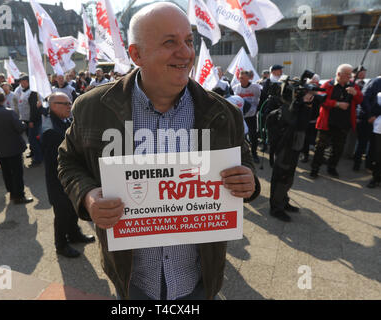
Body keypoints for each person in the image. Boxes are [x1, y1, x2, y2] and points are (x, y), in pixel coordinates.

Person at [57, 2, 260, 300]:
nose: (186, 53)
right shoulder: (92, 109)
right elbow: (67, 160)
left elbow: (245, 165)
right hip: (131, 279)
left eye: (188, 41)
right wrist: (87, 196)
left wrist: (249, 182)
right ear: (136, 54)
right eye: (170, 42)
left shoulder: (224, 114)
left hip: (199, 280)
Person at [41, 92, 95, 258]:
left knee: (73, 210)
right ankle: (61, 244)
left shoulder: (66, 120)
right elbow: (58, 161)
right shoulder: (50, 130)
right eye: (64, 103)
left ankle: (74, 234)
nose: (69, 106)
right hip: (60, 181)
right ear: (53, 106)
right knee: (62, 214)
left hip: (70, 179)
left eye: (69, 102)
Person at [267, 81, 317, 222]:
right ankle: (275, 208)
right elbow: (298, 123)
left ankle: (283, 201)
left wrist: (307, 104)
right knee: (281, 177)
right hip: (285, 149)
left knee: (288, 177)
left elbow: (304, 124)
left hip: (294, 147)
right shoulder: (286, 109)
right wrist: (303, 104)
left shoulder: (297, 107)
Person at [0, 90, 33, 204]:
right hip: (13, 147)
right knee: (17, 173)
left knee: (6, 172)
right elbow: (20, 128)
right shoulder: (9, 113)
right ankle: (19, 195)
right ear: (4, 100)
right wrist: (24, 124)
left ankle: (12, 193)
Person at [310, 64, 363, 178]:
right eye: (347, 75)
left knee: (338, 148)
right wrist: (337, 104)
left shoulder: (353, 86)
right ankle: (315, 168)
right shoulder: (328, 85)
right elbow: (321, 100)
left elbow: (360, 100)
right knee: (320, 147)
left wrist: (356, 93)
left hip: (344, 123)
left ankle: (332, 167)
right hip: (327, 122)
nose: (350, 77)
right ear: (339, 74)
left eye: (350, 75)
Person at [14, 74, 43, 167]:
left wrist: (31, 121)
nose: (21, 83)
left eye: (23, 81)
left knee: (33, 139)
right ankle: (34, 153)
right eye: (20, 82)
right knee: (31, 139)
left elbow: (34, 109)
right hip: (26, 119)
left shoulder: (32, 92)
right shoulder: (23, 91)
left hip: (32, 120)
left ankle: (38, 159)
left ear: (27, 82)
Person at [233, 70, 261, 163]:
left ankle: (254, 153)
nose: (242, 80)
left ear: (248, 78)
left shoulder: (255, 88)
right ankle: (242, 154)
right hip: (240, 116)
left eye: (244, 78)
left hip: (251, 116)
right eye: (240, 78)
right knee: (241, 136)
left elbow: (262, 98)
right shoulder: (235, 88)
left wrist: (258, 109)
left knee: (253, 135)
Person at [365, 77, 381, 187]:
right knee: (378, 155)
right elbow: (375, 109)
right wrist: (372, 116)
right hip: (379, 130)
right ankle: (376, 178)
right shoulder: (380, 95)